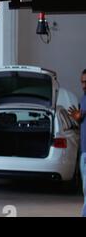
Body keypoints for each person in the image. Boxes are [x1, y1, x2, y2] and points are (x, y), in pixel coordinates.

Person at [68, 68, 86, 217]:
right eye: (82, 82)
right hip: (84, 152)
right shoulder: (83, 99)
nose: (84, 85)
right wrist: (78, 119)